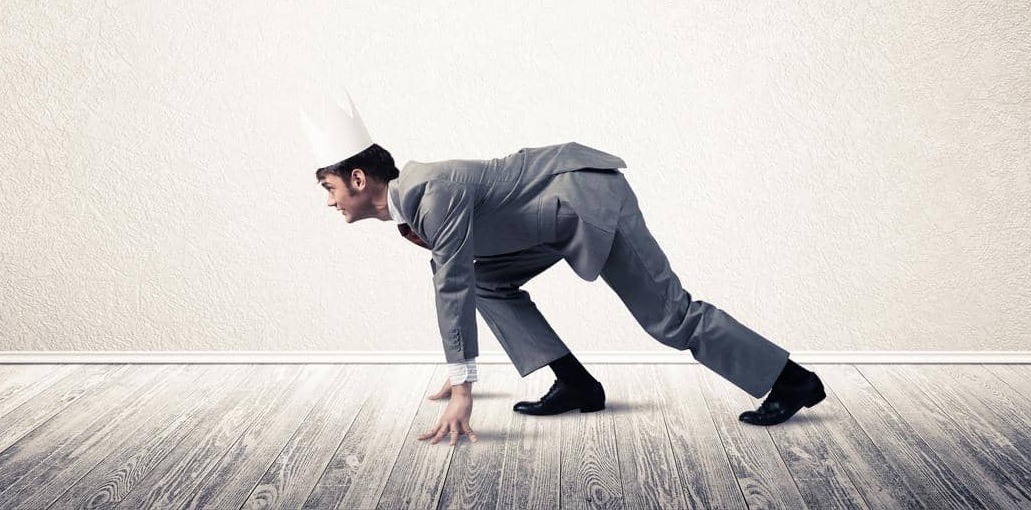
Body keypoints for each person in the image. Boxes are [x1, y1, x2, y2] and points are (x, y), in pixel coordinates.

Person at [303, 90, 825, 446]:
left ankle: (790, 381)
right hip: (542, 220)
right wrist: (458, 369)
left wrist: (463, 385)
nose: (329, 203)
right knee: (489, 280)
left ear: (356, 177)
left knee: (670, 318)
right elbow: (460, 277)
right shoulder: (411, 208)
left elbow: (451, 284)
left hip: (586, 199)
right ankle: (576, 383)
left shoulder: (431, 193)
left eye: (328, 189)